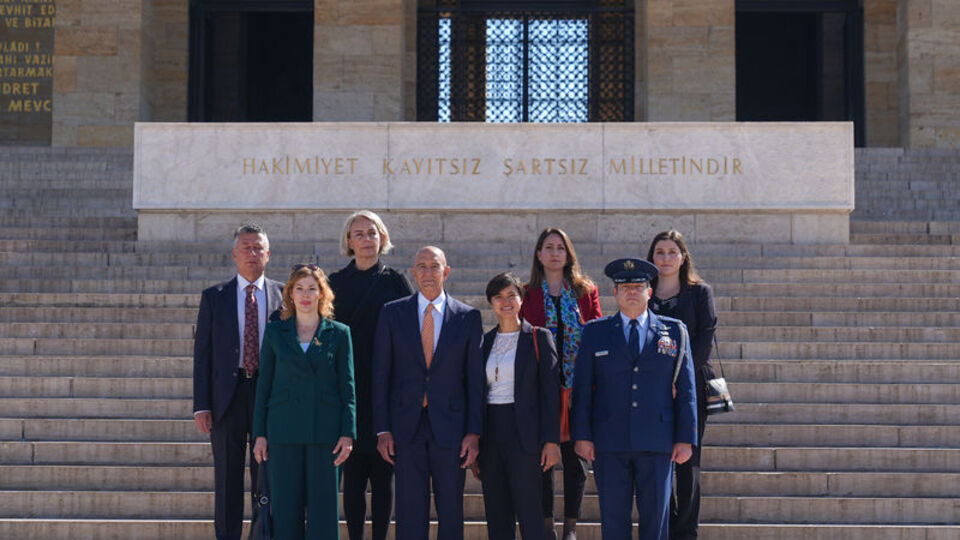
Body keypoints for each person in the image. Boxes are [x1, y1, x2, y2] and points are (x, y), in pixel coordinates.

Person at [572, 258, 697, 540]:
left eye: (638, 286)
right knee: (614, 521)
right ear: (614, 293)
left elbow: (687, 389)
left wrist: (685, 437)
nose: (631, 292)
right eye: (624, 286)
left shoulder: (674, 331)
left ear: (650, 292)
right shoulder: (595, 332)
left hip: (657, 440)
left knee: (656, 522)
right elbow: (582, 388)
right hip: (609, 440)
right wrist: (582, 434)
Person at [372, 246, 484, 540]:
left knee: (450, 511)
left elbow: (474, 379)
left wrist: (474, 432)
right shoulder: (392, 313)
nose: (427, 273)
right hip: (405, 427)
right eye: (421, 266)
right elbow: (381, 374)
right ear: (413, 273)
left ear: (446, 272)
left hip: (452, 428)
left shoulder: (468, 317)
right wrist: (382, 429)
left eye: (434, 266)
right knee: (409, 512)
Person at [251, 264, 357, 540]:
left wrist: (348, 433)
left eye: (312, 288)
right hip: (283, 431)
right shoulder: (275, 332)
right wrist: (260, 434)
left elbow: (348, 388)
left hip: (326, 433)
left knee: (323, 513)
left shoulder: (340, 333)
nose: (306, 294)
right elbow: (264, 387)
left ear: (323, 294)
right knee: (285, 511)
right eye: (300, 288)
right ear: (290, 294)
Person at [192, 223, 283, 540]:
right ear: (234, 254)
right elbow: (203, 355)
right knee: (228, 478)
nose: (252, 252)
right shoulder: (214, 297)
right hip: (225, 399)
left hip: (268, 395)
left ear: (268, 255)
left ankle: (263, 534)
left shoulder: (284, 295)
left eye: (259, 247)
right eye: (246, 246)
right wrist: (201, 405)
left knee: (267, 477)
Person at [329, 210, 413, 540]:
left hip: (386, 389)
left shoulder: (395, 282)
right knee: (352, 477)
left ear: (383, 238)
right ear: (349, 241)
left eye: (372, 233)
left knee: (382, 474)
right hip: (348, 388)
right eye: (359, 234)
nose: (366, 239)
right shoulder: (334, 283)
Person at [517, 227, 602, 540]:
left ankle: (570, 528)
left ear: (569, 255)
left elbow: (597, 336)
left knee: (576, 460)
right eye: (548, 247)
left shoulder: (585, 292)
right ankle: (545, 526)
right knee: (544, 459)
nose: (554, 253)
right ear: (539, 254)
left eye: (560, 248)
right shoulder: (526, 294)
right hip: (542, 389)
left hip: (578, 387)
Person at [477, 272, 562, 540]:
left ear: (521, 299)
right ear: (491, 302)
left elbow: (551, 394)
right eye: (498, 297)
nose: (506, 302)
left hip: (526, 434)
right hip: (492, 432)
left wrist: (552, 441)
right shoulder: (484, 343)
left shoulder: (539, 337)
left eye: (511, 295)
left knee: (530, 513)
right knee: (497, 513)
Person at [646, 230, 717, 540]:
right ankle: (663, 523)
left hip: (691, 389)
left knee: (688, 462)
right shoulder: (642, 291)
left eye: (672, 251)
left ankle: (685, 530)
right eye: (659, 252)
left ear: (683, 256)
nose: (665, 258)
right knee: (658, 459)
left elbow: (704, 340)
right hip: (651, 390)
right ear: (651, 257)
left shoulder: (700, 292)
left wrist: (679, 381)